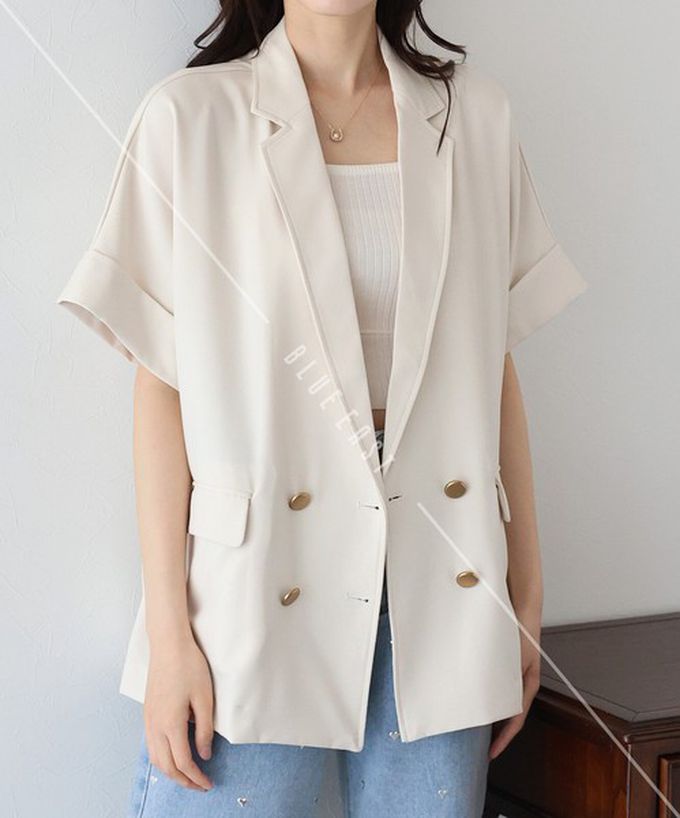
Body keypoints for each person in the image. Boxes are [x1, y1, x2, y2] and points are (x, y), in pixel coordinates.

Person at [56, 1, 590, 816]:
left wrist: (525, 598)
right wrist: (170, 636)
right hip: (255, 583)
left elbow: (494, 368)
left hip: (443, 578)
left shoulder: (474, 116)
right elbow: (161, 388)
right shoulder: (189, 119)